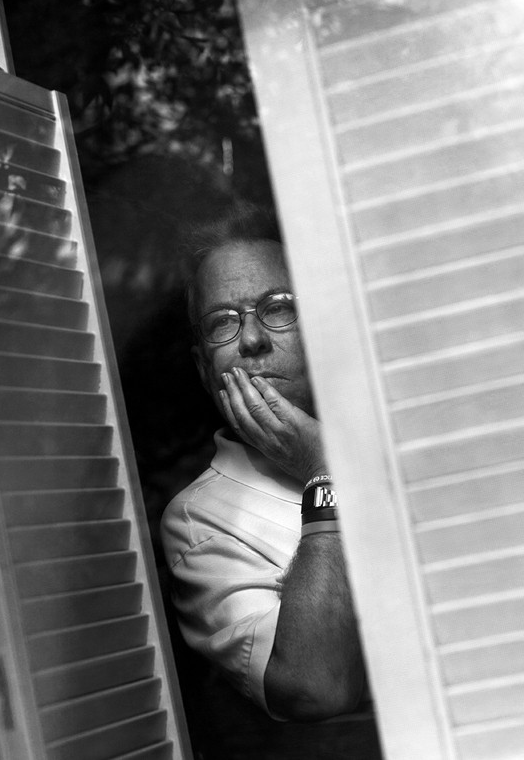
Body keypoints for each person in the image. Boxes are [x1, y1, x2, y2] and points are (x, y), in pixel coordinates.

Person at [161, 204, 382, 759]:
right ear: (203, 366)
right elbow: (317, 686)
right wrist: (323, 471)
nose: (253, 340)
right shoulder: (199, 519)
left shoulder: (393, 424)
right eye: (223, 322)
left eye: (278, 308)